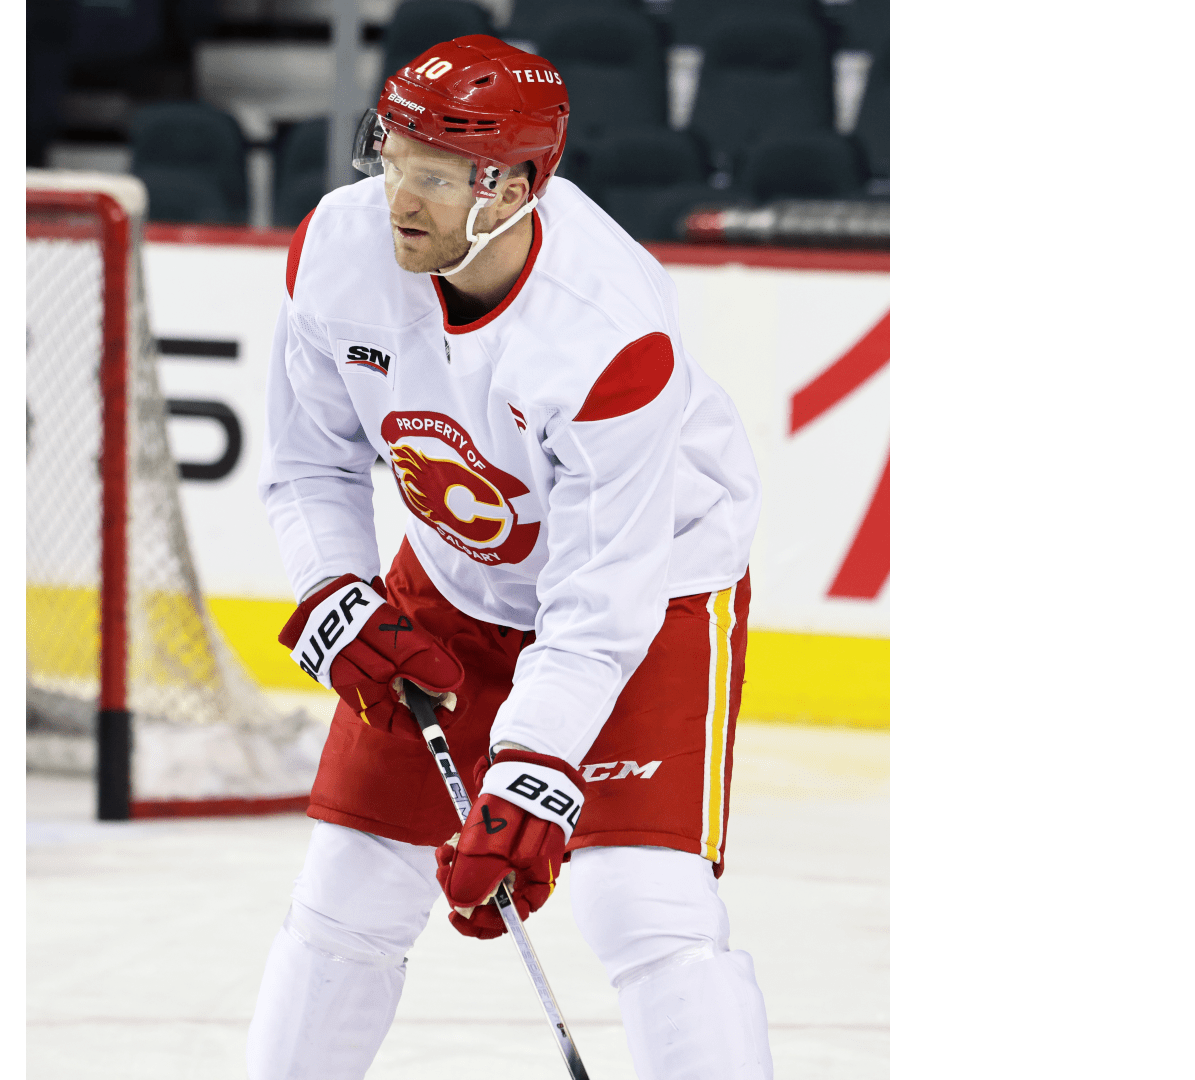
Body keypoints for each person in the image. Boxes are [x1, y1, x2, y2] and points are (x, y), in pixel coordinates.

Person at [245, 35, 770, 1079]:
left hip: (654, 590)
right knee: (350, 885)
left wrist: (532, 768)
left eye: (435, 178)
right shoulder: (338, 247)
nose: (398, 199)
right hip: (452, 575)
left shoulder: (609, 332)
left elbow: (598, 598)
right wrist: (336, 589)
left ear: (518, 187)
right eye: (392, 159)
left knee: (644, 905)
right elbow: (310, 462)